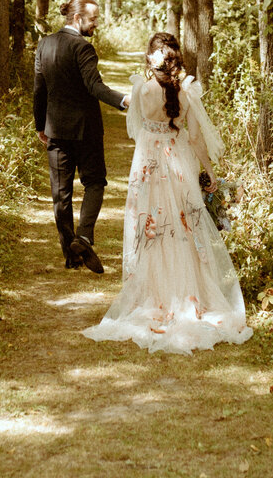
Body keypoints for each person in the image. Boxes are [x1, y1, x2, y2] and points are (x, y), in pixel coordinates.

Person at [83, 32, 252, 354]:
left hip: (148, 165)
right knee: (184, 227)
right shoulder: (186, 93)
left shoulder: (143, 90)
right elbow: (197, 138)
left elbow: (135, 130)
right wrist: (210, 171)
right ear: (175, 61)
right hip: (178, 164)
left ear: (151, 59)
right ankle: (189, 293)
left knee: (149, 225)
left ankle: (156, 293)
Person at [34, 0, 128, 273]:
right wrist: (124, 101)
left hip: (56, 131)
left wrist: (40, 125)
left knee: (60, 195)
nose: (96, 24)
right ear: (78, 19)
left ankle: (71, 255)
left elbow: (39, 90)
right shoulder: (83, 48)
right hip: (85, 131)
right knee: (95, 182)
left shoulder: (45, 44)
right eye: (93, 19)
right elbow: (94, 86)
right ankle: (83, 238)